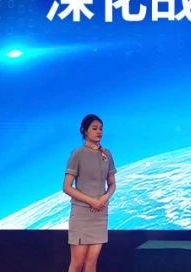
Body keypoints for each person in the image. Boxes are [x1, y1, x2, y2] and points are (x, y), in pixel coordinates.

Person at [63, 114, 117, 272]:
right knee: (77, 263)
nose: (99, 131)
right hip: (81, 215)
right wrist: (92, 201)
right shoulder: (77, 154)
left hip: (100, 214)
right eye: (94, 128)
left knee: (91, 263)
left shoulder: (107, 154)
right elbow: (67, 187)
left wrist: (104, 198)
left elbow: (112, 184)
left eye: (101, 129)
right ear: (84, 131)